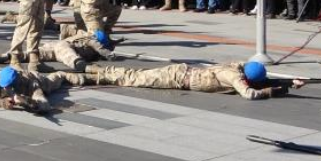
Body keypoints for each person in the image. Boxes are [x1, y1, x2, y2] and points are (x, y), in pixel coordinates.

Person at [85, 61, 305, 100]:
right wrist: (275, 91)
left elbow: (258, 79)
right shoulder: (236, 77)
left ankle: (100, 71)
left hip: (182, 71)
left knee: (137, 74)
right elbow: (250, 94)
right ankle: (97, 75)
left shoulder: (238, 67)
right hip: (177, 78)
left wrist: (288, 83)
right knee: (133, 79)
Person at [0, 66, 90, 114]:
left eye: (10, 86)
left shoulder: (30, 83)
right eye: (4, 86)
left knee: (52, 82)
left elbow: (44, 105)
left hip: (38, 79)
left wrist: (29, 102)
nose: (6, 89)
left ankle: (66, 75)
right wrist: (0, 102)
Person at [38, 29, 114, 72]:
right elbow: (101, 49)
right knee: (70, 56)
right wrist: (111, 54)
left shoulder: (83, 34)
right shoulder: (92, 40)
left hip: (55, 46)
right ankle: (80, 65)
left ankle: (26, 55)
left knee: (39, 53)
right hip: (65, 46)